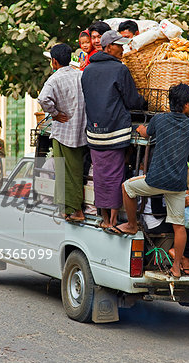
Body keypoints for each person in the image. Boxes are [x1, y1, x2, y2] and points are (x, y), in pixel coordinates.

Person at [113, 83, 189, 278]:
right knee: (179, 226)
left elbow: (145, 133)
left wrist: (142, 128)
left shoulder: (159, 120)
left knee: (127, 188)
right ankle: (176, 267)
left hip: (156, 180)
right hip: (177, 184)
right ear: (186, 105)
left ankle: (132, 224)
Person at [81, 30, 145, 228]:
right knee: (116, 174)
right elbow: (132, 100)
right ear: (109, 47)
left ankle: (105, 218)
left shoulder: (88, 69)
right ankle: (115, 219)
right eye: (119, 45)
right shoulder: (120, 70)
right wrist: (145, 102)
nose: (123, 48)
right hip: (116, 132)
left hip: (94, 133)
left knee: (100, 176)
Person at [37, 43, 88, 222]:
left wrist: (56, 114)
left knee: (67, 172)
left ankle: (76, 211)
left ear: (54, 61)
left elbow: (43, 99)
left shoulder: (54, 79)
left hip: (64, 132)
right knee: (73, 171)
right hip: (82, 131)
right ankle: (66, 209)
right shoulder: (81, 74)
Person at [144, 193, 189, 274]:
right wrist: (182, 204)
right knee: (187, 224)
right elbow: (157, 212)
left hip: (171, 217)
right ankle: (184, 257)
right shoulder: (159, 184)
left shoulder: (176, 184)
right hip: (157, 223)